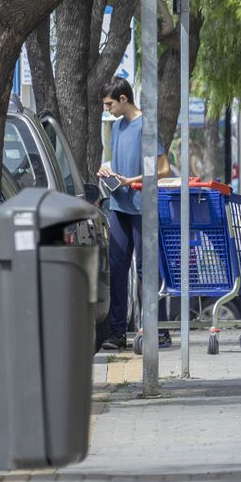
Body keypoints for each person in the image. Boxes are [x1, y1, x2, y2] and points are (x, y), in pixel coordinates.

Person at [97, 77, 170, 351]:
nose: (107, 109)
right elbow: (117, 162)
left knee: (146, 270)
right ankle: (117, 333)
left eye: (109, 104)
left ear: (123, 99)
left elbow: (163, 169)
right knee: (118, 269)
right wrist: (107, 171)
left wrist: (131, 181)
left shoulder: (146, 126)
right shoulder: (117, 127)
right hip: (119, 206)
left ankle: (158, 329)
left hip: (142, 207)